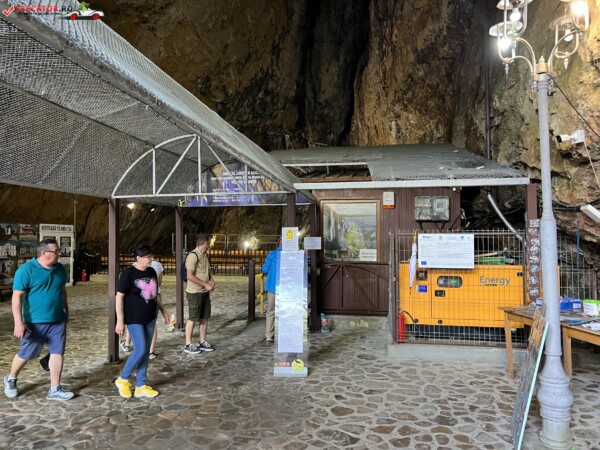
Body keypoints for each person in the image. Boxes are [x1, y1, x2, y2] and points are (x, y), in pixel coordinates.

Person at [3, 238, 74, 401]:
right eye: (56, 251)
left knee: (57, 352)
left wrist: (66, 309)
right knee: (27, 353)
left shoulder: (60, 269)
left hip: (57, 319)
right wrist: (18, 322)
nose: (59, 254)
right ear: (43, 253)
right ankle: (11, 378)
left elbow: (62, 290)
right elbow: (17, 297)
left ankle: (55, 388)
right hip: (34, 321)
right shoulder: (26, 270)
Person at [114, 245, 167, 399]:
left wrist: (163, 310)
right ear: (138, 258)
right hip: (134, 317)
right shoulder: (128, 274)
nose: (151, 259)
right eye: (148, 257)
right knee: (140, 349)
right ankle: (123, 379)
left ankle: (140, 386)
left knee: (145, 352)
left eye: (152, 256)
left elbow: (154, 294)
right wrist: (120, 320)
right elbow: (119, 297)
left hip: (150, 316)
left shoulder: (151, 272)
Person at [119, 259, 168, 359]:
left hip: (147, 301)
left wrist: (163, 310)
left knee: (140, 348)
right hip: (152, 298)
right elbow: (159, 282)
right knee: (146, 327)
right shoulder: (158, 266)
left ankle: (127, 344)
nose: (150, 259)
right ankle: (151, 350)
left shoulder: (137, 267)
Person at [184, 233, 216, 354]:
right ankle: (188, 344)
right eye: (209, 242)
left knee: (204, 317)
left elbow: (207, 271)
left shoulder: (204, 255)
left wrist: (211, 280)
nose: (210, 245)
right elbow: (189, 276)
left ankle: (203, 341)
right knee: (193, 318)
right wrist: (205, 284)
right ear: (205, 243)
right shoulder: (193, 256)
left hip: (204, 291)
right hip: (194, 292)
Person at [262, 237, 282, 343]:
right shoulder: (293, 255)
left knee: (271, 311)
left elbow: (264, 269)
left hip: (273, 287)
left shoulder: (272, 254)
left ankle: (269, 335)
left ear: (278, 243)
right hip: (287, 288)